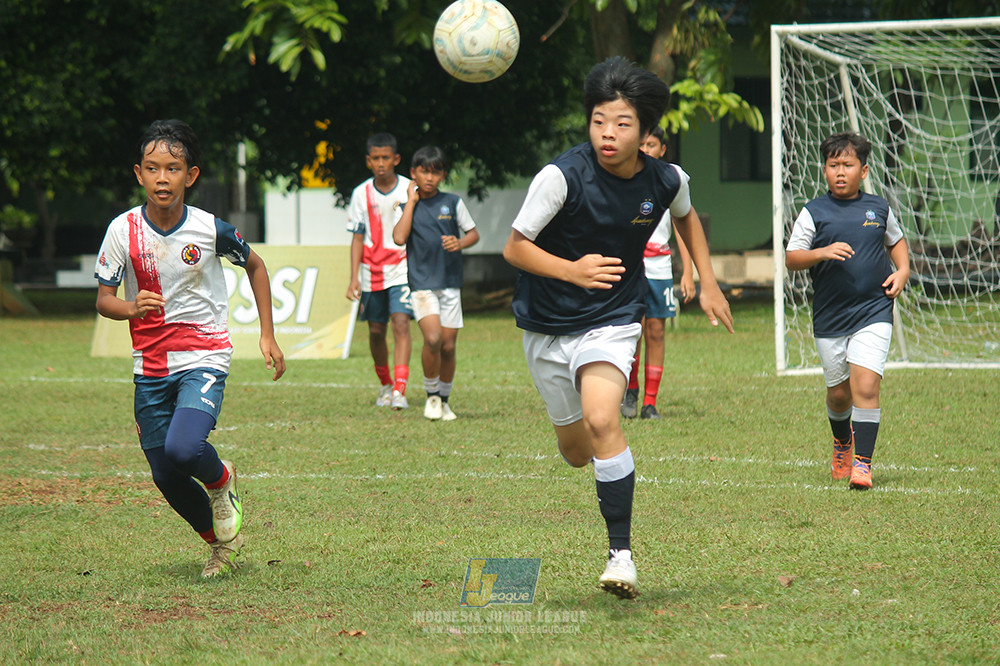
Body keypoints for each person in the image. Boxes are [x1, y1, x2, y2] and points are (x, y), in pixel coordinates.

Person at [503, 57, 733, 599]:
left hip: (610, 318)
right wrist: (571, 270)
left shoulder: (666, 178)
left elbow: (686, 215)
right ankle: (591, 460)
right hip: (545, 323)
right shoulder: (560, 177)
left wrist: (708, 278)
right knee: (577, 451)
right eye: (599, 120)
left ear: (647, 131)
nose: (608, 133)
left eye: (623, 123)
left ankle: (621, 555)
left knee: (605, 418)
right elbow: (515, 247)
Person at [94, 119, 286, 578]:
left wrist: (267, 335)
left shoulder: (209, 229)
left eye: (173, 169)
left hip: (203, 356)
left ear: (191, 175)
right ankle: (221, 544)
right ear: (138, 174)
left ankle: (221, 481)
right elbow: (103, 301)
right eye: (153, 168)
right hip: (150, 364)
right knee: (165, 473)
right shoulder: (121, 231)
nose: (163, 178)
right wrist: (130, 307)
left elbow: (256, 267)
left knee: (183, 449)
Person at [785, 131, 909, 490]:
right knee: (839, 394)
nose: (840, 172)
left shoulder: (878, 209)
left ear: (864, 170)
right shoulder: (814, 212)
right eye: (833, 164)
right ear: (824, 169)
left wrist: (901, 271)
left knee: (866, 386)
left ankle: (862, 466)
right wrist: (822, 252)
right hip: (831, 316)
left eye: (847, 165)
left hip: (874, 310)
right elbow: (792, 258)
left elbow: (896, 241)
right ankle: (842, 442)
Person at [392, 146, 480, 421]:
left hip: (450, 283)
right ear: (413, 173)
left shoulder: (452, 203)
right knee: (432, 339)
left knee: (448, 346)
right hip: (422, 285)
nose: (429, 177)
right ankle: (431, 396)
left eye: (435, 172)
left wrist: (460, 242)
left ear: (442, 175)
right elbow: (398, 237)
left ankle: (444, 400)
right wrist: (411, 202)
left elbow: (473, 234)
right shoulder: (405, 206)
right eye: (424, 171)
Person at [621, 125, 696, 420]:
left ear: (662, 150)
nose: (645, 150)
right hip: (630, 264)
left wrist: (687, 272)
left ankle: (650, 402)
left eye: (651, 145)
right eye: (640, 144)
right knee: (633, 330)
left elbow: (684, 226)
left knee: (656, 331)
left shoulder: (670, 180)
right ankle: (631, 389)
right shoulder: (623, 179)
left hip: (659, 266)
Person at [345, 133, 414, 410]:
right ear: (368, 161)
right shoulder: (361, 193)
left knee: (401, 323)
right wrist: (353, 277)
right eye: (376, 158)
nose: (381, 163)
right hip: (371, 272)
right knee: (376, 331)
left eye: (386, 157)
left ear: (396, 159)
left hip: (402, 268)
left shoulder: (410, 190)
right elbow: (357, 237)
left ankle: (400, 388)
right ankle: (385, 383)